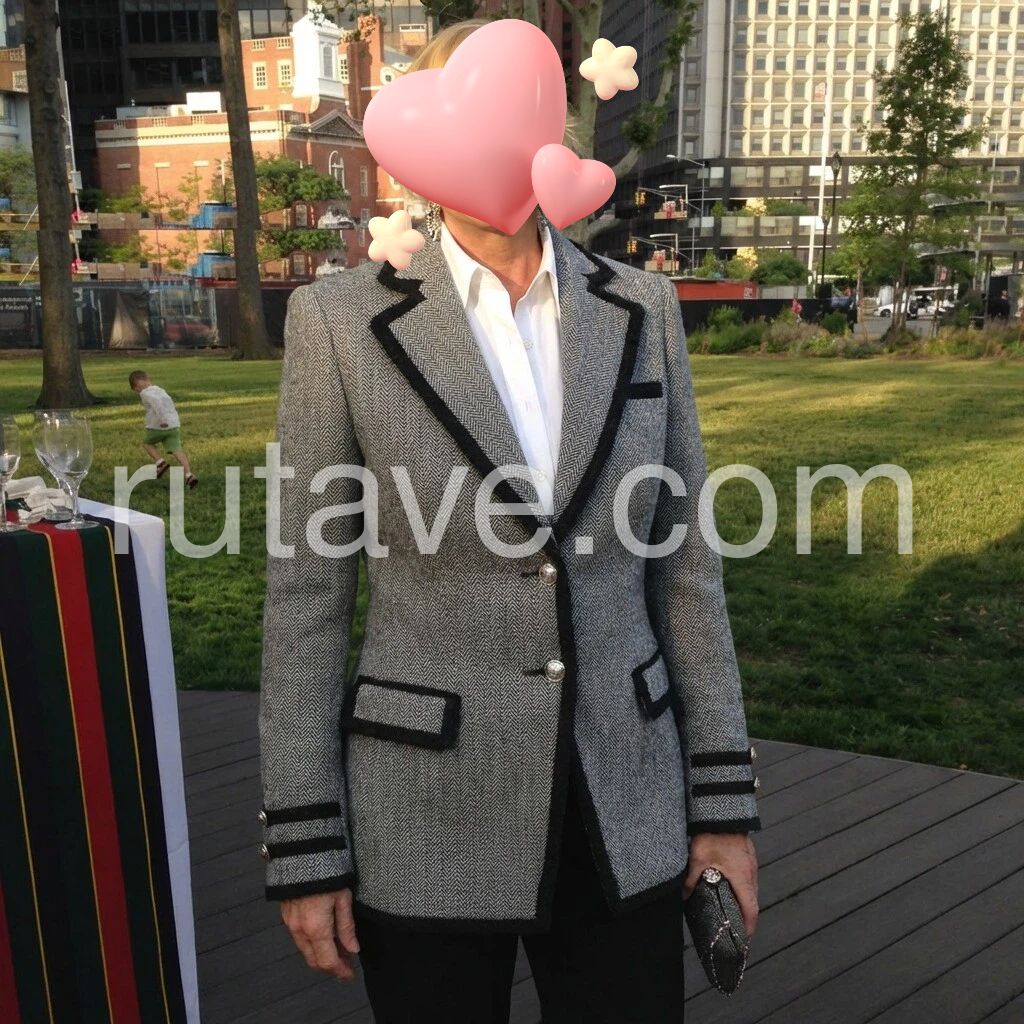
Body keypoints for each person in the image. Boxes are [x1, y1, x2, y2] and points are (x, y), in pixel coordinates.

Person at [258, 19, 760, 1023]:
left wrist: (722, 809)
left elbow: (685, 569)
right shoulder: (341, 322)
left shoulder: (643, 307)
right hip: (424, 809)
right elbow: (308, 594)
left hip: (623, 794)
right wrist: (306, 840)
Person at [128, 370, 198, 488]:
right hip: (174, 425)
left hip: (158, 426)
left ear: (137, 386)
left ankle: (160, 462)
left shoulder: (145, 393)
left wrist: (162, 420)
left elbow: (157, 403)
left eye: (136, 389)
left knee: (147, 444)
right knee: (177, 450)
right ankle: (189, 475)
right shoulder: (160, 389)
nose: (138, 391)